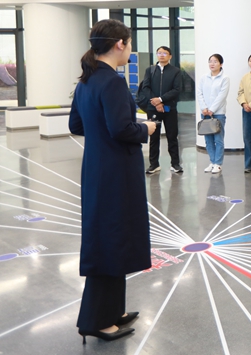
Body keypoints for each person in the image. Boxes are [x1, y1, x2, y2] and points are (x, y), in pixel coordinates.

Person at [69, 19, 157, 343]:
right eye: (130, 43)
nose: (130, 49)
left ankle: (112, 311)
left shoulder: (87, 82)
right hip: (117, 173)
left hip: (96, 169)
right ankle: (95, 320)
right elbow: (122, 129)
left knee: (110, 237)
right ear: (120, 44)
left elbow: (76, 124)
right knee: (110, 241)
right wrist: (145, 129)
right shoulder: (113, 83)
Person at [139, 46, 183, 174]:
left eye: (165, 53)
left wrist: (161, 99)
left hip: (170, 108)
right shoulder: (150, 70)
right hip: (153, 108)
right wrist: (156, 102)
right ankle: (154, 164)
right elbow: (145, 87)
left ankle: (175, 164)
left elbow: (176, 90)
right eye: (159, 53)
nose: (161, 55)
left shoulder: (175, 71)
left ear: (170, 56)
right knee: (154, 136)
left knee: (172, 136)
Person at [197, 54, 230, 174]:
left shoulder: (224, 78)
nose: (212, 64)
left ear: (221, 64)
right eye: (210, 61)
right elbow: (199, 93)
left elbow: (222, 96)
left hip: (218, 113)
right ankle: (212, 162)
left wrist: (212, 109)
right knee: (208, 140)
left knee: (218, 139)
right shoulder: (203, 78)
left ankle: (218, 163)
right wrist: (204, 108)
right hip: (205, 113)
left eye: (215, 61)